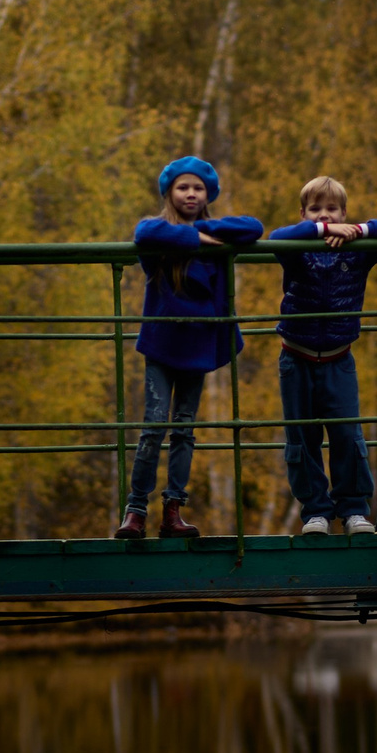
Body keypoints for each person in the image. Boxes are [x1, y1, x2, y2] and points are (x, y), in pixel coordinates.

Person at [116, 156, 262, 540]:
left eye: (198, 188)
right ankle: (135, 510)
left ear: (207, 194)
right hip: (163, 345)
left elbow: (254, 227)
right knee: (155, 425)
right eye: (183, 187)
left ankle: (173, 510)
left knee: (184, 429)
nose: (191, 193)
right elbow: (143, 233)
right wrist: (193, 237)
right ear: (169, 193)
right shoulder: (159, 234)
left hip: (197, 345)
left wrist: (204, 229)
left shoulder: (217, 231)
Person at [267, 176, 377, 535]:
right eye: (316, 210)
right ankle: (316, 511)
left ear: (345, 213)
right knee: (302, 438)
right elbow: (276, 239)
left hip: (339, 358)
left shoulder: (358, 250)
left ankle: (354, 510)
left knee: (347, 435)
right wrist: (315, 230)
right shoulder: (298, 248)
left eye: (332, 210)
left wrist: (359, 230)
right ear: (304, 215)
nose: (325, 216)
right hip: (295, 358)